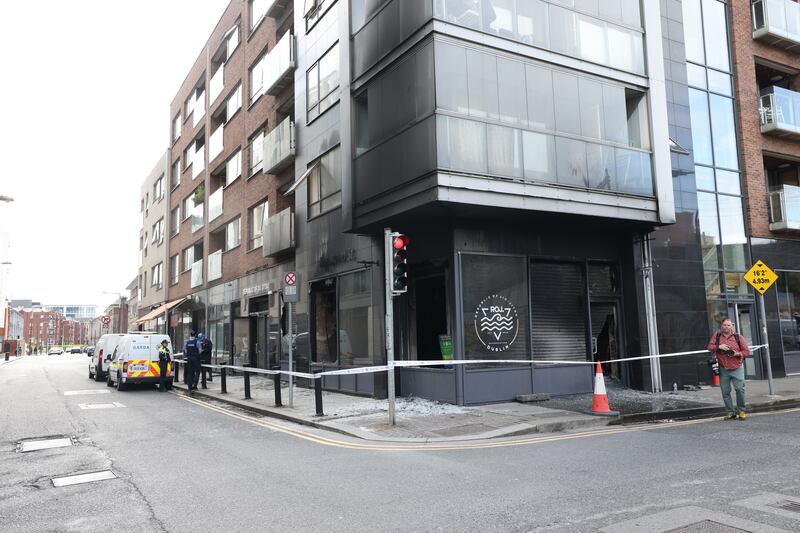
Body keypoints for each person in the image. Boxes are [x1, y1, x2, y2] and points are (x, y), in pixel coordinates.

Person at [707, 318, 750, 420]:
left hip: (737, 368)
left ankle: (741, 411)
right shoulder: (717, 336)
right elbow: (709, 347)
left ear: (732, 326)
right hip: (723, 369)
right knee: (725, 392)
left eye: (728, 325)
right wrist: (719, 347)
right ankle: (730, 412)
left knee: (739, 389)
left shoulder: (738, 337)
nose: (726, 327)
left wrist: (736, 353)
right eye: (724, 325)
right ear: (721, 326)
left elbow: (746, 351)